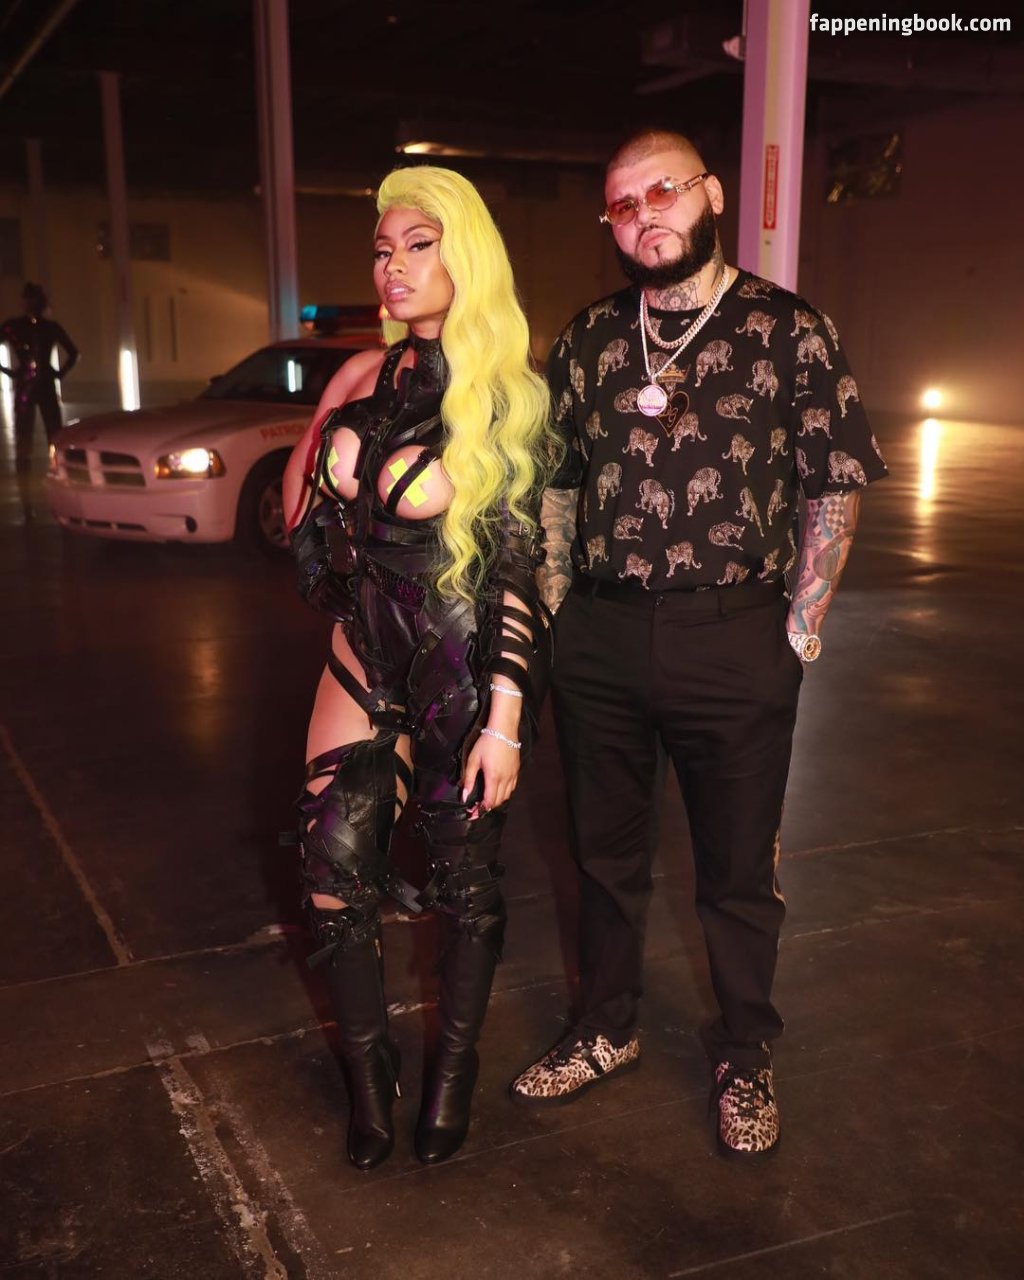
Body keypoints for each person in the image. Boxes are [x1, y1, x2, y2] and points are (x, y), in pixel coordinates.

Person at [509, 130, 887, 1160]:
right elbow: (557, 483)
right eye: (622, 204)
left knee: (736, 869)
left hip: (734, 634)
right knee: (603, 855)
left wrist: (799, 626)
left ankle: (744, 1052)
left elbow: (833, 480)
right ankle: (605, 1026)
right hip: (600, 633)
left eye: (662, 191)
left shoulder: (787, 329)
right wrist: (559, 610)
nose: (644, 216)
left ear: (712, 194)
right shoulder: (590, 339)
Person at [281, 165, 557, 1170]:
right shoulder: (365, 373)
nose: (392, 267)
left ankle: (452, 1070)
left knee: (462, 882)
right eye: (382, 250)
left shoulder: (510, 390)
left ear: (465, 255)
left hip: (463, 661)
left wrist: (504, 721)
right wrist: (325, 496)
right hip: (364, 648)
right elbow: (302, 510)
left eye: (418, 246)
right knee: (329, 867)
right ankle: (370, 1072)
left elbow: (520, 565)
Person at [1, 282, 78, 522]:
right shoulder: (42, 327)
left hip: (31, 386)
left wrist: (12, 372)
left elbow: (73, 353)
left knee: (40, 436)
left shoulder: (18, 326)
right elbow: (73, 353)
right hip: (40, 385)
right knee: (47, 435)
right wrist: (58, 373)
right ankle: (45, 491)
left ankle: (34, 498)